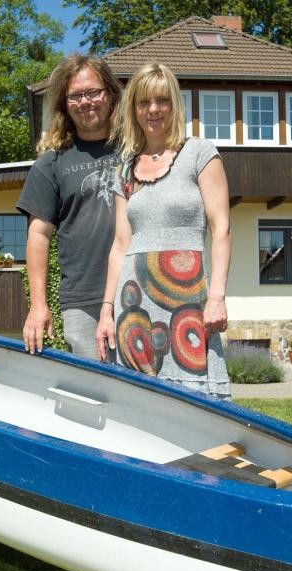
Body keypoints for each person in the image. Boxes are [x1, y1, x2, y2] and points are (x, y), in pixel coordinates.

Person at [95, 63, 231, 398]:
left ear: (173, 103)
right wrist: (106, 309)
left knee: (199, 401)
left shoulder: (199, 153)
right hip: (134, 302)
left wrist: (217, 296)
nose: (153, 110)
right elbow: (119, 244)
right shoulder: (124, 169)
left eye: (161, 100)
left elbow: (222, 227)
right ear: (134, 109)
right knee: (140, 401)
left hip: (188, 298)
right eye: (143, 102)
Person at [16, 54, 122, 358]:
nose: (86, 101)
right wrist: (38, 306)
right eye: (76, 95)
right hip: (83, 299)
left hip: (134, 292)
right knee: (94, 395)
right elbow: (38, 235)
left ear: (110, 94)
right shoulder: (51, 163)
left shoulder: (135, 150)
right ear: (65, 103)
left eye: (93, 92)